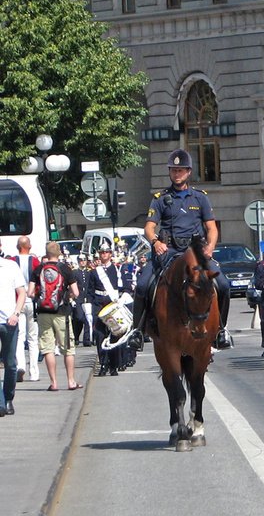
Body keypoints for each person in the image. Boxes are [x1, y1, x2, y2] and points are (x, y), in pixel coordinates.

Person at [127, 149, 232, 350]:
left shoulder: (200, 198)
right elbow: (149, 228)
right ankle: (138, 331)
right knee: (142, 286)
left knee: (224, 285)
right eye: (174, 170)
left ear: (188, 172)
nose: (177, 174)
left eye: (181, 170)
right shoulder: (160, 198)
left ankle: (221, 330)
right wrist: (156, 243)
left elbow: (211, 228)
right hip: (169, 251)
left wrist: (210, 247)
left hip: (196, 251)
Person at [28, 242, 81, 392]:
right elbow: (75, 292)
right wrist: (65, 295)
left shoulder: (38, 269)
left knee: (48, 348)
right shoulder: (65, 269)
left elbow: (30, 293)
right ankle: (71, 381)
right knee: (68, 349)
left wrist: (41, 296)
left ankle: (54, 383)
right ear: (59, 254)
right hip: (62, 313)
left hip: (44, 313)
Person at [88, 242, 131, 376]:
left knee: (115, 336)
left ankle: (114, 365)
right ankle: (103, 364)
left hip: (113, 306)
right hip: (99, 306)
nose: (104, 254)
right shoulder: (95, 272)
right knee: (100, 336)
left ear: (111, 254)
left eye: (106, 252)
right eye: (102, 252)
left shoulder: (117, 270)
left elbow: (126, 288)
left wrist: (121, 301)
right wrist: (90, 309)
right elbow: (90, 291)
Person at [0, 252, 27, 416]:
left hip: (9, 321)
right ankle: (1, 403)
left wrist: (16, 314)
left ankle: (8, 398)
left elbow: (22, 293)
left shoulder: (10, 266)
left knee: (10, 364)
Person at [13, 237, 41, 383]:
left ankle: (20, 365)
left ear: (17, 247)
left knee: (19, 336)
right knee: (33, 338)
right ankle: (34, 372)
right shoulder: (35, 262)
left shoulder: (12, 261)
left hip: (17, 301)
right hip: (32, 301)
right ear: (29, 246)